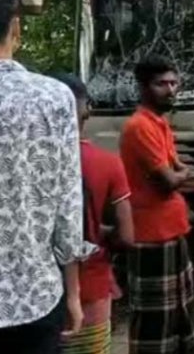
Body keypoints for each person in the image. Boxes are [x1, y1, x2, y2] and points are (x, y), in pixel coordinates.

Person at [0, 0, 91, 353]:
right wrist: (74, 293)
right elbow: (68, 206)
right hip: (35, 298)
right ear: (15, 28)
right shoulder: (54, 98)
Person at [120, 55, 194, 354]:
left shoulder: (159, 124)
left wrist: (179, 174)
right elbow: (170, 179)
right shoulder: (140, 126)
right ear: (143, 87)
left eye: (174, 83)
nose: (170, 90)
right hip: (150, 235)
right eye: (161, 84)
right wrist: (182, 174)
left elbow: (176, 171)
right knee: (156, 323)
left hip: (171, 230)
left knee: (179, 316)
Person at [53, 74, 135, 354]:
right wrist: (99, 233)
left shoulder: (29, 161)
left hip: (37, 294)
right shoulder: (108, 164)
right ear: (86, 111)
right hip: (92, 288)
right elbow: (127, 236)